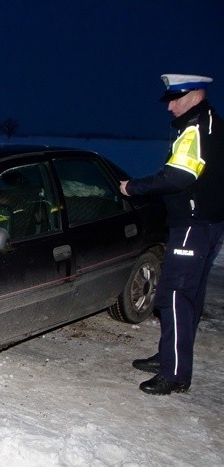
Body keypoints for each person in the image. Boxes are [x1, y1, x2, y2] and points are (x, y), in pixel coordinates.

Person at [119, 74, 224, 395]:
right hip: (209, 223)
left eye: (176, 99)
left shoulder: (195, 130)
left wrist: (133, 187)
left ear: (196, 95)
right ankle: (171, 356)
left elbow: (178, 176)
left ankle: (174, 373)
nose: (171, 107)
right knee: (189, 296)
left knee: (175, 296)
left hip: (193, 226)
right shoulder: (211, 123)